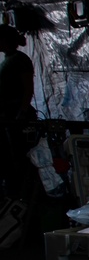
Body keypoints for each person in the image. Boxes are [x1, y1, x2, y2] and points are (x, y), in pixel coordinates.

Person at [0, 24, 37, 202]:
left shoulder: (19, 60)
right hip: (7, 115)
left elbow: (28, 88)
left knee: (18, 156)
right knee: (8, 156)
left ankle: (24, 194)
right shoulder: (8, 59)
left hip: (15, 116)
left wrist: (21, 112)